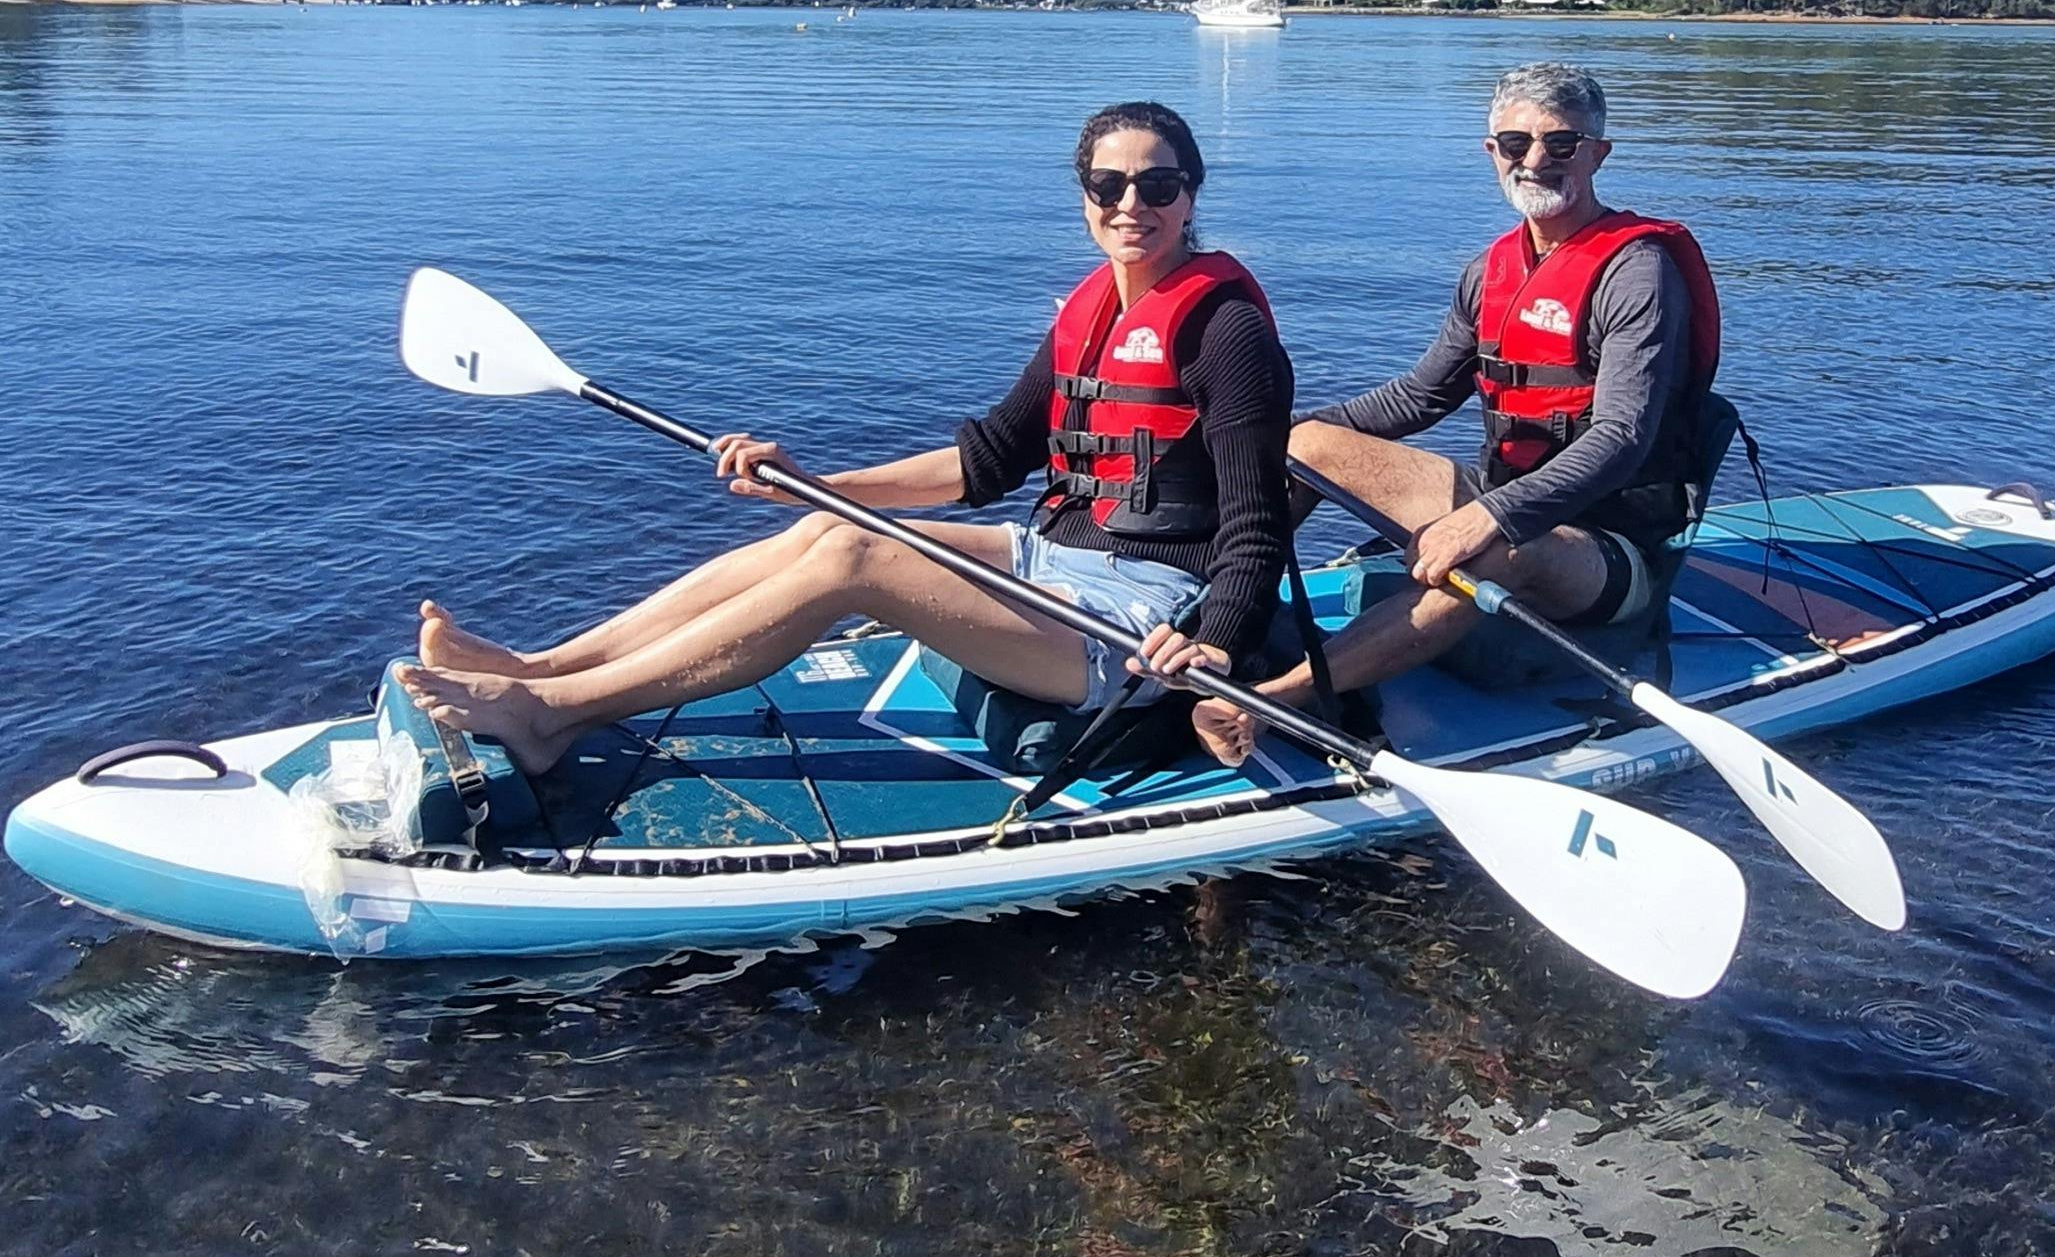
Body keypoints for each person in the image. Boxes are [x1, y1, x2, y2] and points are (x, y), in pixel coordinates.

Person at [406, 101, 1292, 777]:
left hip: (1144, 613)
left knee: (853, 568)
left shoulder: (1225, 332)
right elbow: (986, 460)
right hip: (1051, 561)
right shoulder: (1093, 308)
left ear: (1189, 196)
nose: (1131, 203)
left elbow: (1255, 525)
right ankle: (541, 665)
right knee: (826, 531)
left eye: (1157, 185)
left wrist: (1212, 646)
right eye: (1109, 185)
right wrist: (811, 481)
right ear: (1085, 198)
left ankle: (554, 714)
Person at [1191, 59, 1721, 763]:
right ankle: (1216, 615)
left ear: (1598, 153)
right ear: (1491, 152)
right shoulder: (1491, 270)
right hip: (1506, 497)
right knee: (1305, 444)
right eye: (1515, 144)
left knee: (1501, 548)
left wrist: (1492, 515)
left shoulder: (1637, 271)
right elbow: (1420, 395)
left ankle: (1277, 698)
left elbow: (1624, 435)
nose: (1536, 160)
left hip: (1612, 547)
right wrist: (1268, 436)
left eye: (1560, 144)